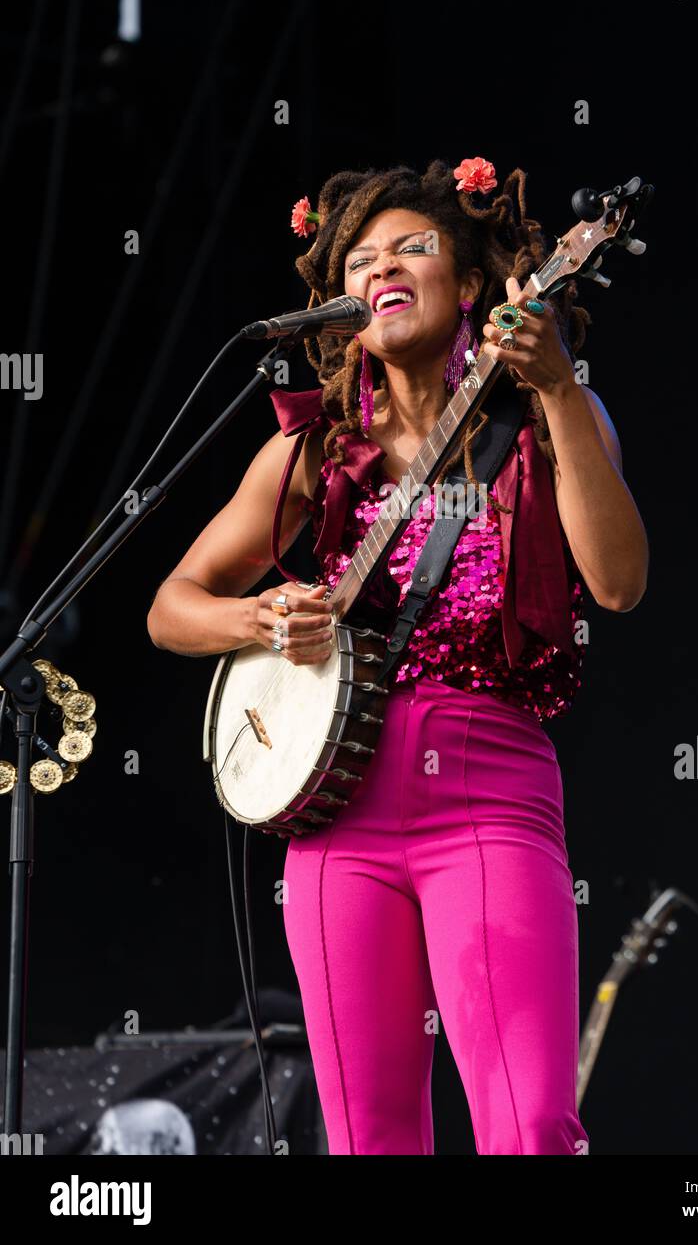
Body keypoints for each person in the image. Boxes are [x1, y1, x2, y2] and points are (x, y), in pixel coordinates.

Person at [146, 156, 649, 1155]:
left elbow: (620, 582)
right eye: (363, 257)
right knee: (368, 1138)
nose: (384, 264)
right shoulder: (316, 451)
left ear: (468, 284)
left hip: (486, 797)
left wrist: (553, 389)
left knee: (529, 1123)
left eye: (411, 246)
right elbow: (171, 607)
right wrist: (263, 619)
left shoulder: (551, 414)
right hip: (338, 825)